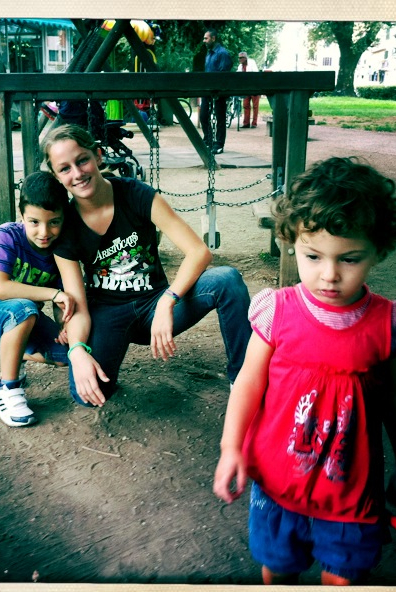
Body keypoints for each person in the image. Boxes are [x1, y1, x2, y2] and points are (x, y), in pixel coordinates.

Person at [213, 156, 396, 585]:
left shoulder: (387, 323)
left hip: (351, 490)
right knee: (278, 571)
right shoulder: (276, 311)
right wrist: (231, 447)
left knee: (343, 580)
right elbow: (248, 381)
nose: (329, 274)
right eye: (313, 255)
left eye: (349, 258)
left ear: (378, 251)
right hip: (277, 482)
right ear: (292, 242)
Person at [43, 123, 252, 408]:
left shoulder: (136, 194)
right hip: (108, 314)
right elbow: (77, 303)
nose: (77, 173)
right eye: (65, 169)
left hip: (157, 305)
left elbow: (198, 252)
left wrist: (168, 299)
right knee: (88, 396)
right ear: (57, 176)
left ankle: (243, 380)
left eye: (82, 160)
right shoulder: (65, 227)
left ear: (98, 156)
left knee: (227, 280)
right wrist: (77, 350)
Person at [0, 171, 75, 427]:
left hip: (25, 318)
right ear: (21, 215)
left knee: (68, 353)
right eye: (34, 222)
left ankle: (14, 351)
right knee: (23, 308)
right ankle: (8, 388)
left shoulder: (60, 249)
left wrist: (63, 326)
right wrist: (53, 294)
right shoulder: (6, 235)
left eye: (54, 222)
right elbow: (1, 289)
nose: (44, 232)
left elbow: (63, 300)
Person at [199, 28, 233, 154]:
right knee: (203, 116)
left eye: (206, 38)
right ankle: (208, 139)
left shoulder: (222, 53)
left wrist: (219, 90)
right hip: (208, 90)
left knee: (220, 118)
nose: (204, 41)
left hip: (219, 92)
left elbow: (224, 74)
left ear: (213, 38)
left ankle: (219, 144)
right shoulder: (209, 54)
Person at [237, 51, 260, 128]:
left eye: (241, 58)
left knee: (255, 106)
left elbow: (256, 74)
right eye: (239, 58)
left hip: (254, 87)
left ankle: (254, 123)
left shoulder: (252, 63)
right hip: (246, 88)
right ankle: (246, 123)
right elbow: (238, 75)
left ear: (245, 58)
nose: (240, 59)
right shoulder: (240, 66)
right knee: (245, 105)